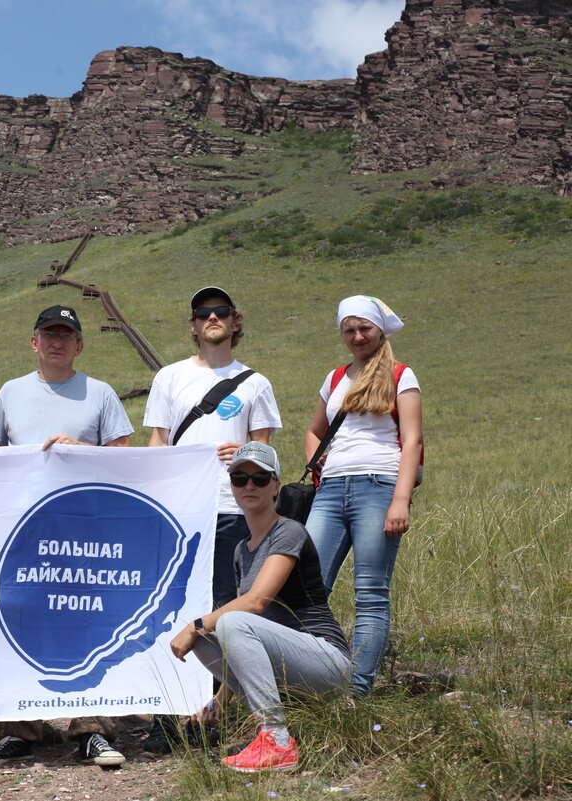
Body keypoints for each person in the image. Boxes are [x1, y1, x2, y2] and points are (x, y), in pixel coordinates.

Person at [0, 304, 132, 770]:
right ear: (33, 343)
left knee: (89, 625)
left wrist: (85, 452)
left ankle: (92, 731)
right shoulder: (10, 393)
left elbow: (127, 462)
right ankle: (16, 730)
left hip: (83, 536)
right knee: (20, 620)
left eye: (66, 334)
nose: (57, 341)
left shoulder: (101, 394)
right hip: (20, 537)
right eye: (48, 334)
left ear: (79, 345)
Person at [141, 285, 282, 752]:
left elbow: (263, 454)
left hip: (229, 510)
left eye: (221, 311)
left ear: (235, 322)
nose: (212, 318)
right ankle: (164, 716)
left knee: (222, 612)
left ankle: (212, 714)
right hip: (179, 510)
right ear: (193, 325)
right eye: (203, 312)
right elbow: (157, 446)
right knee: (165, 609)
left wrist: (240, 455)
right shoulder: (170, 378)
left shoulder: (254, 383)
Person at [170, 442, 350, 773]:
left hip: (328, 663)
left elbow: (256, 603)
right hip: (289, 667)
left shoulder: (289, 532)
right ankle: (270, 730)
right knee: (210, 636)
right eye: (239, 478)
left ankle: (277, 740)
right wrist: (218, 702)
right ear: (232, 486)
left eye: (260, 478)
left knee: (220, 624)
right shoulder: (242, 550)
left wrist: (195, 623)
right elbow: (243, 638)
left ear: (276, 485)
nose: (249, 485)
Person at [303, 295, 422, 697]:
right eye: (349, 330)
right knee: (308, 586)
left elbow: (412, 439)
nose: (357, 336)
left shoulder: (401, 375)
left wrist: (401, 500)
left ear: (380, 330)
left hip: (379, 484)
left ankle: (354, 692)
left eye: (364, 328)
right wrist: (317, 465)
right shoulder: (335, 377)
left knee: (370, 593)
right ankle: (314, 679)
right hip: (331, 488)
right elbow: (314, 431)